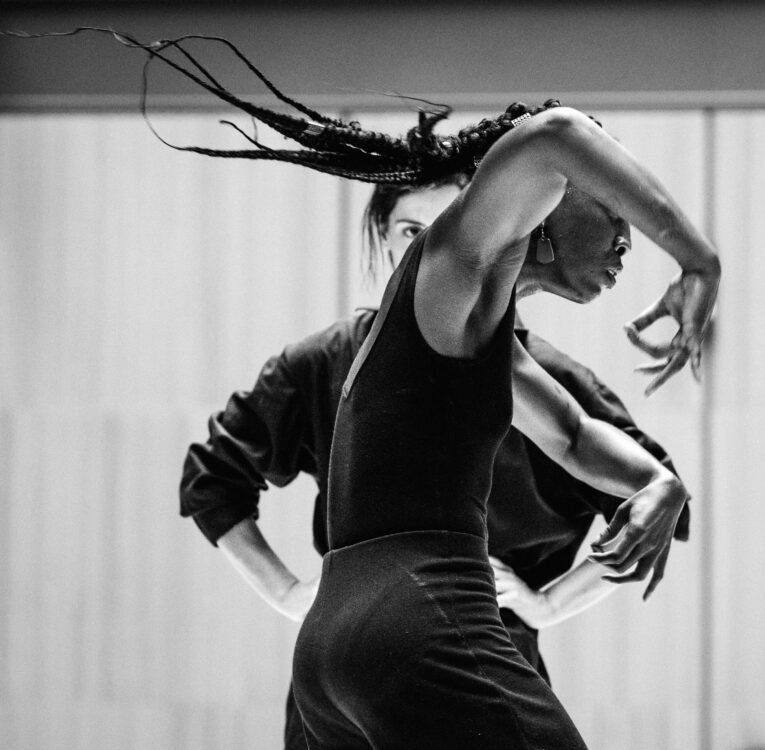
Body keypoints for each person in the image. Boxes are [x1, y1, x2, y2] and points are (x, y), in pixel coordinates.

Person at [181, 173, 690, 750]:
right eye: (413, 231)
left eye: (445, 223)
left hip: (388, 635)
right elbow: (213, 478)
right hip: (422, 623)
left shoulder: (512, 358)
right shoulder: (337, 355)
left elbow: (580, 440)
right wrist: (696, 258)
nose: (432, 240)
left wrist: (550, 599)